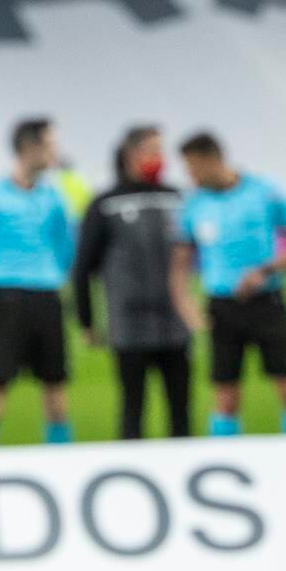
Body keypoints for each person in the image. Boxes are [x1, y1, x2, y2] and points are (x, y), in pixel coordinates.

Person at [171, 133, 286, 434]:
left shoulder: (264, 191)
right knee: (225, 399)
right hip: (222, 308)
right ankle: (224, 462)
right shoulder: (194, 205)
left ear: (212, 160)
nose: (191, 176)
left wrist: (264, 271)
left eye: (194, 168)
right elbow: (180, 264)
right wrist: (185, 305)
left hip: (267, 302)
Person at [0, 117, 75, 447]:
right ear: (28, 147)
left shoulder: (54, 198)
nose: (55, 152)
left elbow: (65, 248)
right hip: (6, 297)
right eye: (50, 144)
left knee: (56, 389)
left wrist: (51, 278)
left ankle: (64, 465)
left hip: (46, 296)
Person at [73, 125, 192, 439]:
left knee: (181, 411)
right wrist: (86, 320)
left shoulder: (175, 198)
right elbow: (83, 266)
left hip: (174, 322)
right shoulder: (105, 204)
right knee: (133, 408)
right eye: (152, 150)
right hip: (129, 324)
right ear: (131, 154)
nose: (158, 158)